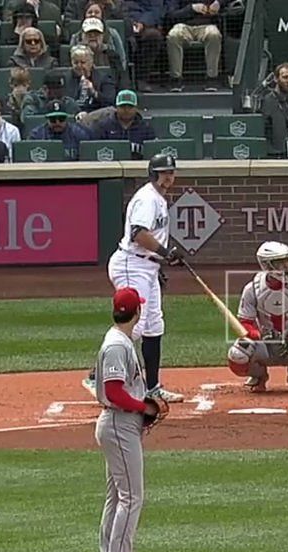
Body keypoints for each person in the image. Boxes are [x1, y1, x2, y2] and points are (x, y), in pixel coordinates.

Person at [99, 153, 187, 405]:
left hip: (145, 267)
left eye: (171, 172)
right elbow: (138, 234)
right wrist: (165, 253)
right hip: (131, 264)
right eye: (164, 172)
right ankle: (98, 375)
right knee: (134, 324)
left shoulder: (157, 198)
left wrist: (158, 264)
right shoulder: (147, 198)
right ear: (153, 173)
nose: (168, 177)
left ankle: (152, 388)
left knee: (154, 325)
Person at [92, 286, 164, 552]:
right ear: (137, 312)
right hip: (119, 426)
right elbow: (112, 391)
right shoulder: (117, 345)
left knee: (117, 497)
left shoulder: (119, 341)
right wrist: (144, 406)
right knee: (131, 497)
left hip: (119, 425)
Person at [225, 241, 288, 393]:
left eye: (287, 262)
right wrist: (259, 335)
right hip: (264, 345)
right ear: (266, 265)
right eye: (281, 263)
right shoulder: (252, 288)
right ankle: (258, 376)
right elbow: (246, 323)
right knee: (237, 355)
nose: (286, 267)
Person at [165, 0, 223, 92]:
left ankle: (212, 78)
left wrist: (219, 3)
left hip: (207, 25)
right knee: (173, 35)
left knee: (214, 34)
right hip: (183, 25)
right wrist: (191, 8)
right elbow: (171, 15)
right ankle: (176, 78)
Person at [86, 89, 154, 159]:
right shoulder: (104, 126)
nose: (126, 110)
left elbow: (152, 152)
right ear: (116, 107)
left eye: (130, 107)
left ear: (136, 108)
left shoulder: (145, 127)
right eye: (123, 106)